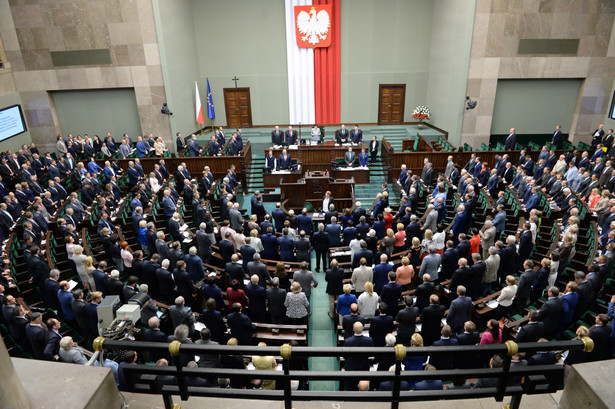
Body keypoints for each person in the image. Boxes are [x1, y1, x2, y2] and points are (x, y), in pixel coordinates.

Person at [343, 322, 373, 391]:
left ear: (353, 329)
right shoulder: (369, 340)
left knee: (350, 385)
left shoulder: (347, 341)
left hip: (351, 366)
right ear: (362, 328)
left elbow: (344, 356)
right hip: (364, 366)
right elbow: (371, 353)